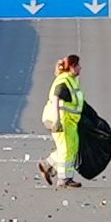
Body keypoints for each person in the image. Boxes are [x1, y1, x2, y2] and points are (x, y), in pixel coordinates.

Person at [39, 52, 86, 187]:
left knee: (71, 147)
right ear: (71, 67)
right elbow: (56, 99)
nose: (80, 68)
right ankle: (64, 179)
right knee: (66, 149)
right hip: (62, 121)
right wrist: (57, 121)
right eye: (78, 66)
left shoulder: (71, 80)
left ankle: (48, 165)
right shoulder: (63, 81)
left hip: (70, 121)